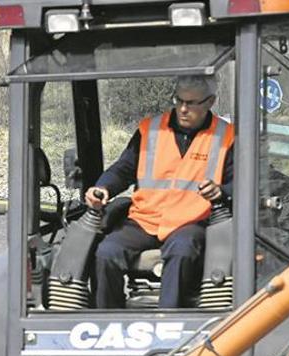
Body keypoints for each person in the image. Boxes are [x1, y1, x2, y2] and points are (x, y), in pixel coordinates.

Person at [85, 75, 234, 309]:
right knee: (106, 252)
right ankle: (107, 321)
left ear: (210, 102)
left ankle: (168, 321)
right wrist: (103, 186)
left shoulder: (227, 137)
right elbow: (124, 169)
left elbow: (239, 182)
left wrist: (221, 192)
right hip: (144, 219)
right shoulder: (149, 130)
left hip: (191, 221)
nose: (183, 109)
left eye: (192, 103)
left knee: (183, 250)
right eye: (179, 100)